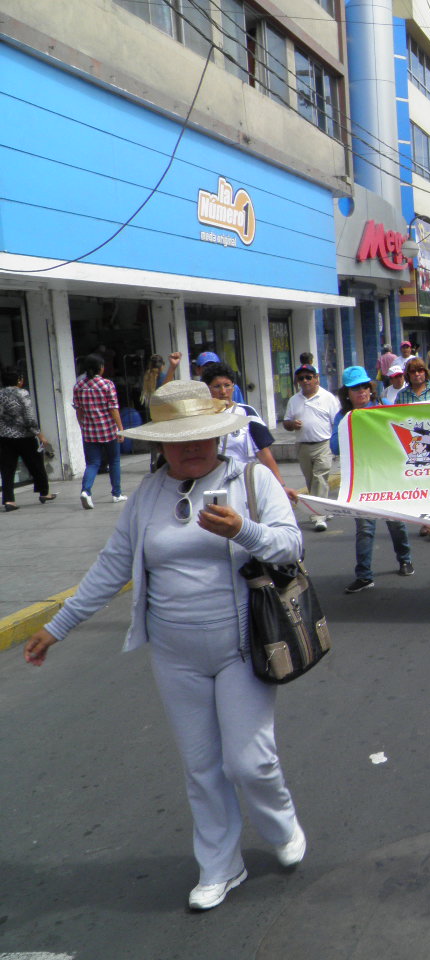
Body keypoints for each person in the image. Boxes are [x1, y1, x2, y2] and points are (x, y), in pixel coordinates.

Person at [23, 379, 307, 911]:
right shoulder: (147, 496)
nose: (192, 448)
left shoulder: (251, 480)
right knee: (201, 766)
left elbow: (291, 544)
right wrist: (58, 627)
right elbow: (112, 567)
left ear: (218, 435)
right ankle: (221, 865)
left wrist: (245, 531)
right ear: (159, 446)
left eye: (200, 436)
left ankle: (281, 821)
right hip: (176, 656)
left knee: (250, 762)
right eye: (178, 440)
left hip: (242, 648)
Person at [331, 366, 414, 592]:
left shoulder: (383, 408)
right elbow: (335, 447)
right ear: (347, 393)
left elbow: (401, 435)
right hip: (362, 479)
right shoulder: (343, 416)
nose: (361, 392)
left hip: (387, 477)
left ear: (370, 388)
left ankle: (405, 558)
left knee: (396, 522)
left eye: (365, 386)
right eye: (355, 388)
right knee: (365, 528)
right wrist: (349, 425)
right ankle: (364, 575)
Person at [200, 363, 293, 498]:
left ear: (233, 387)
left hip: (243, 484)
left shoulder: (246, 413)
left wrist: (281, 486)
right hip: (212, 484)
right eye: (217, 386)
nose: (223, 391)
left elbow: (263, 452)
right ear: (208, 389)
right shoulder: (202, 417)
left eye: (227, 385)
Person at [281, 364, 340, 533]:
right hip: (303, 446)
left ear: (316, 378)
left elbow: (336, 423)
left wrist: (337, 444)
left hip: (323, 444)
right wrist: (291, 424)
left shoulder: (328, 397)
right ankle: (324, 507)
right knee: (311, 480)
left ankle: (318, 516)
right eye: (301, 378)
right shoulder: (294, 400)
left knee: (319, 477)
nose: (305, 381)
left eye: (309, 377)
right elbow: (286, 423)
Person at [395, 357, 430, 539]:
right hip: (413, 445)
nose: (417, 375)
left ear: (425, 372)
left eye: (420, 371)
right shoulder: (402, 395)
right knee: (419, 484)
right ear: (408, 375)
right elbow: (396, 419)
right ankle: (425, 520)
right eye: (413, 372)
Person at [73, 354, 126, 510]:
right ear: (100, 368)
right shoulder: (107, 384)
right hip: (108, 430)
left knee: (92, 463)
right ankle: (117, 493)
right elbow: (113, 409)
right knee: (114, 460)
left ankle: (86, 491)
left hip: (89, 431)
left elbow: (79, 410)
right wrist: (120, 428)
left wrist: (82, 426)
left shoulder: (78, 386)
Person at [1, 365, 54, 510]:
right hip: (24, 436)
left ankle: (9, 500)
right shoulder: (22, 393)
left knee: (7, 469)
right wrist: (40, 435)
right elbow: (29, 418)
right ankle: (44, 492)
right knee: (36, 464)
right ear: (18, 380)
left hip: (5, 437)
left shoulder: (0, 394)